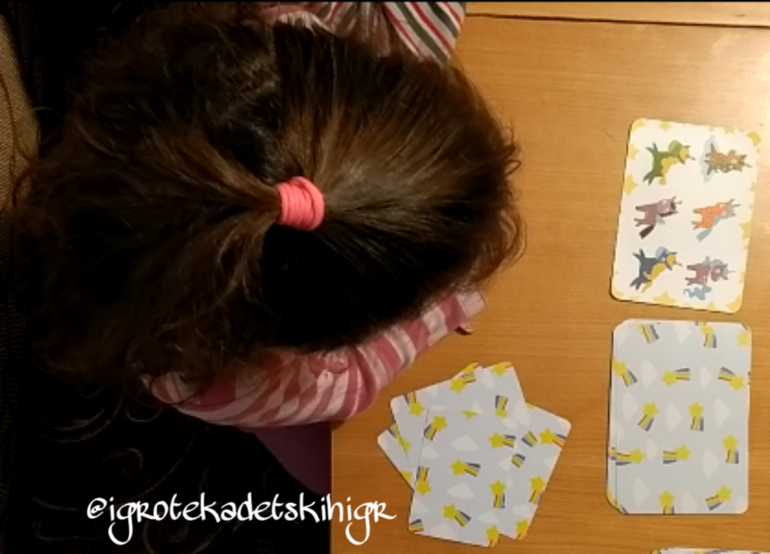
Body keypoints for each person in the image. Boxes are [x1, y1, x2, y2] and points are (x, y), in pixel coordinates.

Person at [13, 2, 523, 496]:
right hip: (208, 356)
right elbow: (353, 384)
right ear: (325, 341)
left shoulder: (286, 44)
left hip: (134, 241)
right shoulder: (229, 377)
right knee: (331, 475)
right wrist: (443, 308)